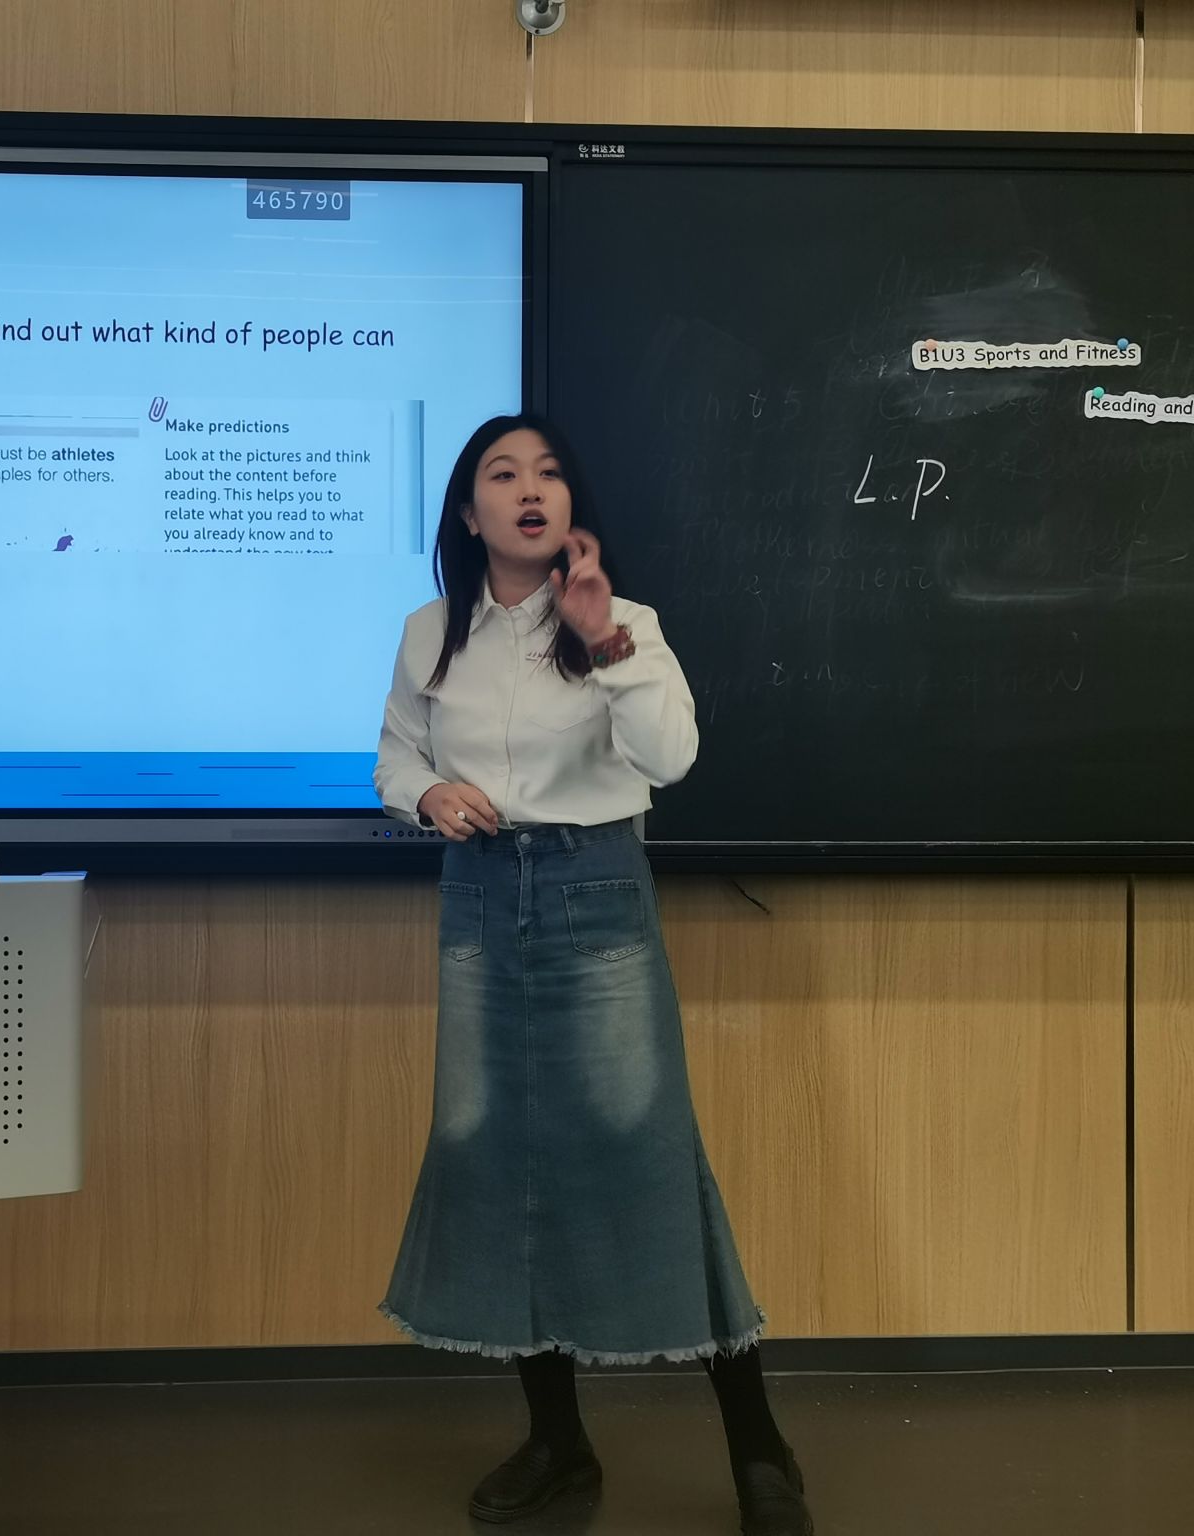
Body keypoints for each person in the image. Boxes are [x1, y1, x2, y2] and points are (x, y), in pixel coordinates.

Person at [372, 414, 812, 1534]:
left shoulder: (625, 624)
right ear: (468, 511)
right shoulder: (429, 634)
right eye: (503, 474)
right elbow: (395, 756)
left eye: (549, 474)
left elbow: (672, 758)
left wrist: (604, 643)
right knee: (496, 1157)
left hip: (593, 893)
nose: (530, 490)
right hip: (480, 900)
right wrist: (427, 795)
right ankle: (557, 1442)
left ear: (569, 507)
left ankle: (758, 1446)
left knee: (643, 1154)